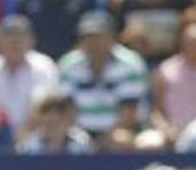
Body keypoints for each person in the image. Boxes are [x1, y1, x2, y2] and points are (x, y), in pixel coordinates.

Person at [58, 10, 148, 147]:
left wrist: (103, 139)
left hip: (121, 131)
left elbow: (130, 112)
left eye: (98, 37)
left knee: (121, 140)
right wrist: (81, 137)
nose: (92, 42)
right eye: (87, 37)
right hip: (78, 132)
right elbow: (66, 108)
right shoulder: (68, 65)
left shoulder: (131, 64)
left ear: (112, 37)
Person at [0, 13, 58, 135]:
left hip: (37, 142)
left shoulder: (45, 67)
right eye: (9, 36)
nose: (15, 42)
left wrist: (23, 136)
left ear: (32, 40)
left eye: (21, 36)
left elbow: (50, 109)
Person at [17, 90, 94, 154]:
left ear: (67, 120)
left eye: (57, 124)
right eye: (49, 124)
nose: (54, 130)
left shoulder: (81, 147)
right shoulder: (29, 149)